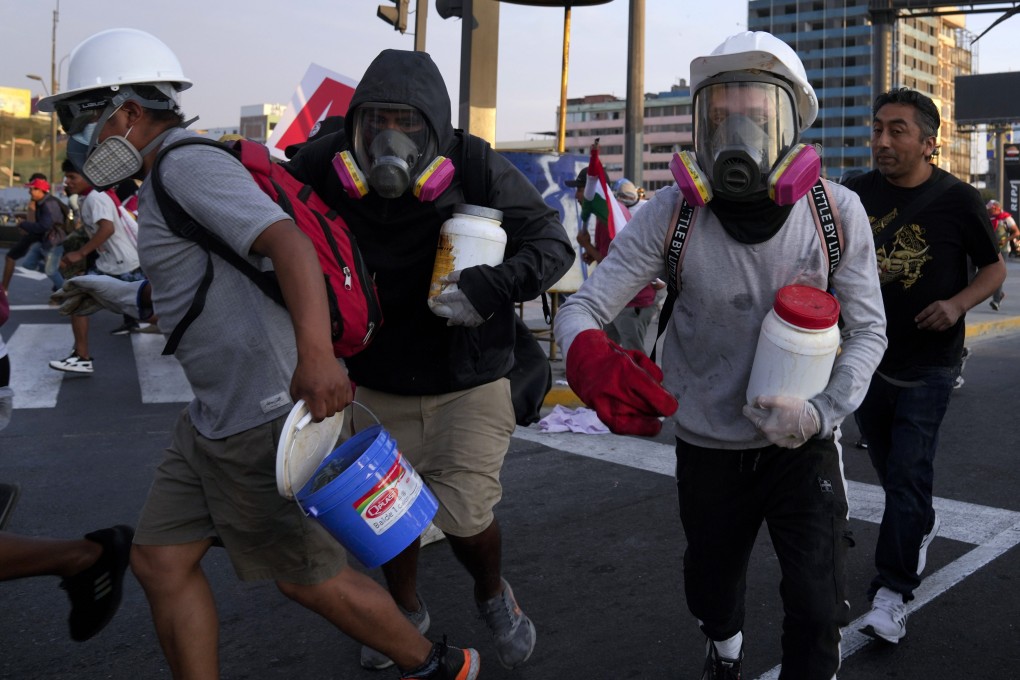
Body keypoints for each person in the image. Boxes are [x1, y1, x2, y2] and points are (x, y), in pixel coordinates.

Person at [40, 28, 479, 680]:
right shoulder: (164, 177)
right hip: (214, 417)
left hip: (264, 412)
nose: (78, 140)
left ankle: (441, 666)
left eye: (81, 121)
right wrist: (107, 292)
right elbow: (192, 293)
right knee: (160, 561)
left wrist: (317, 358)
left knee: (308, 577)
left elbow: (288, 244)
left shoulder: (185, 164)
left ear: (127, 112)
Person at [555, 31, 887, 679]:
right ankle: (724, 643)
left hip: (803, 442)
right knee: (710, 587)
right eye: (720, 116)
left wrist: (820, 412)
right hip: (707, 444)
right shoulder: (671, 213)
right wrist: (587, 357)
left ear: (792, 125)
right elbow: (582, 307)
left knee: (818, 605)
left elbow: (870, 331)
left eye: (757, 116)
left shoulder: (835, 212)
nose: (738, 135)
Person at [287, 49, 574, 671]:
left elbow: (553, 242)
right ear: (356, 125)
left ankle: (493, 594)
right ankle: (405, 610)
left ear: (435, 130)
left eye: (408, 124)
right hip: (373, 380)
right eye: (376, 122)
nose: (389, 139)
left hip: (468, 378)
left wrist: (493, 286)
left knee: (467, 517)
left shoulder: (474, 164)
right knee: (386, 518)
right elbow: (263, 209)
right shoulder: (323, 163)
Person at [842, 88, 1005, 644]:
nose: (882, 141)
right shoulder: (853, 192)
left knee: (909, 472)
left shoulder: (959, 199)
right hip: (867, 357)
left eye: (898, 130)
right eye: (877, 129)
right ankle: (921, 523)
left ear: (929, 142)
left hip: (931, 363)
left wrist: (958, 304)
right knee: (892, 472)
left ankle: (892, 594)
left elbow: (993, 268)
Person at [48, 159, 146, 375]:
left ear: (89, 177)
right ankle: (81, 357)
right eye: (67, 177)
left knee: (146, 310)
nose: (67, 181)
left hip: (123, 265)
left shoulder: (96, 198)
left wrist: (80, 253)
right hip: (111, 263)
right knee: (77, 300)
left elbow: (107, 229)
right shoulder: (89, 197)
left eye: (72, 177)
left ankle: (188, 333)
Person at [568, 167, 659, 354]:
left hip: (632, 301)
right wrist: (592, 253)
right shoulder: (611, 211)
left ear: (591, 191)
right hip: (620, 299)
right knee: (606, 351)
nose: (576, 195)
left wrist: (587, 245)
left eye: (579, 189)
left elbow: (614, 264)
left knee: (635, 356)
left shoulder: (608, 216)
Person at [2, 176, 66, 295]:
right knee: (28, 264)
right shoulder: (41, 203)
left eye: (33, 189)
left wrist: (23, 224)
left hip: (53, 241)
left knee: (51, 271)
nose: (30, 192)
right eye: (30, 189)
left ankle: (69, 292)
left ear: (41, 190)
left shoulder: (48, 204)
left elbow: (44, 226)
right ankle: (57, 271)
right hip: (44, 240)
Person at [986, 199, 1018, 309]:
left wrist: (1005, 240)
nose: (988, 211)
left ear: (995, 208)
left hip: (1003, 250)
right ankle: (999, 294)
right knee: (987, 275)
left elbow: (1017, 232)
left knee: (997, 274)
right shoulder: (990, 218)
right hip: (990, 249)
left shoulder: (1006, 218)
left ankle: (996, 301)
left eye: (989, 209)